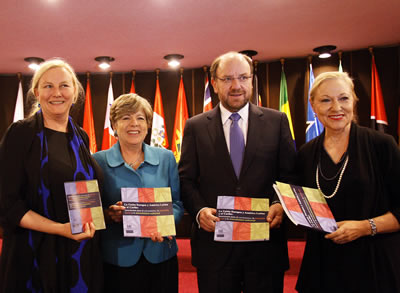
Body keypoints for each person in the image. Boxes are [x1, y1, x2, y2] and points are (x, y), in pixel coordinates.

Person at [178, 51, 296, 293]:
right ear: (214, 83)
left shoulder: (277, 121)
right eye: (227, 79)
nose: (236, 86)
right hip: (215, 249)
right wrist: (199, 211)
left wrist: (278, 204)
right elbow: (186, 180)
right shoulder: (195, 126)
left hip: (264, 248)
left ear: (252, 80)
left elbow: (289, 175)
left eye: (243, 77)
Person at [0, 59, 103, 292]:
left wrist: (108, 212)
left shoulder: (81, 137)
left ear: (75, 92)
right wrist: (60, 229)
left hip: (79, 253)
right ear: (37, 92)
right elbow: (9, 205)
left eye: (64, 86)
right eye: (48, 86)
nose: (57, 93)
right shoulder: (20, 134)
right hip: (34, 254)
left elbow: (81, 190)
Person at [295, 71, 400, 293]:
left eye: (343, 98)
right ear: (313, 106)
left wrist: (364, 227)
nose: (336, 107)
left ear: (354, 100)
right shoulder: (305, 154)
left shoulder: (382, 145)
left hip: (373, 266)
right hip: (322, 266)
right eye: (326, 100)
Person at [93, 93, 184, 293]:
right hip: (117, 257)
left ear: (148, 124)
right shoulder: (97, 161)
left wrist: (165, 224)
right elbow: (91, 211)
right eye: (126, 118)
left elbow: (177, 203)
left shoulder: (167, 157)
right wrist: (110, 214)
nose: (134, 123)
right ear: (114, 125)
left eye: (140, 118)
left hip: (161, 253)